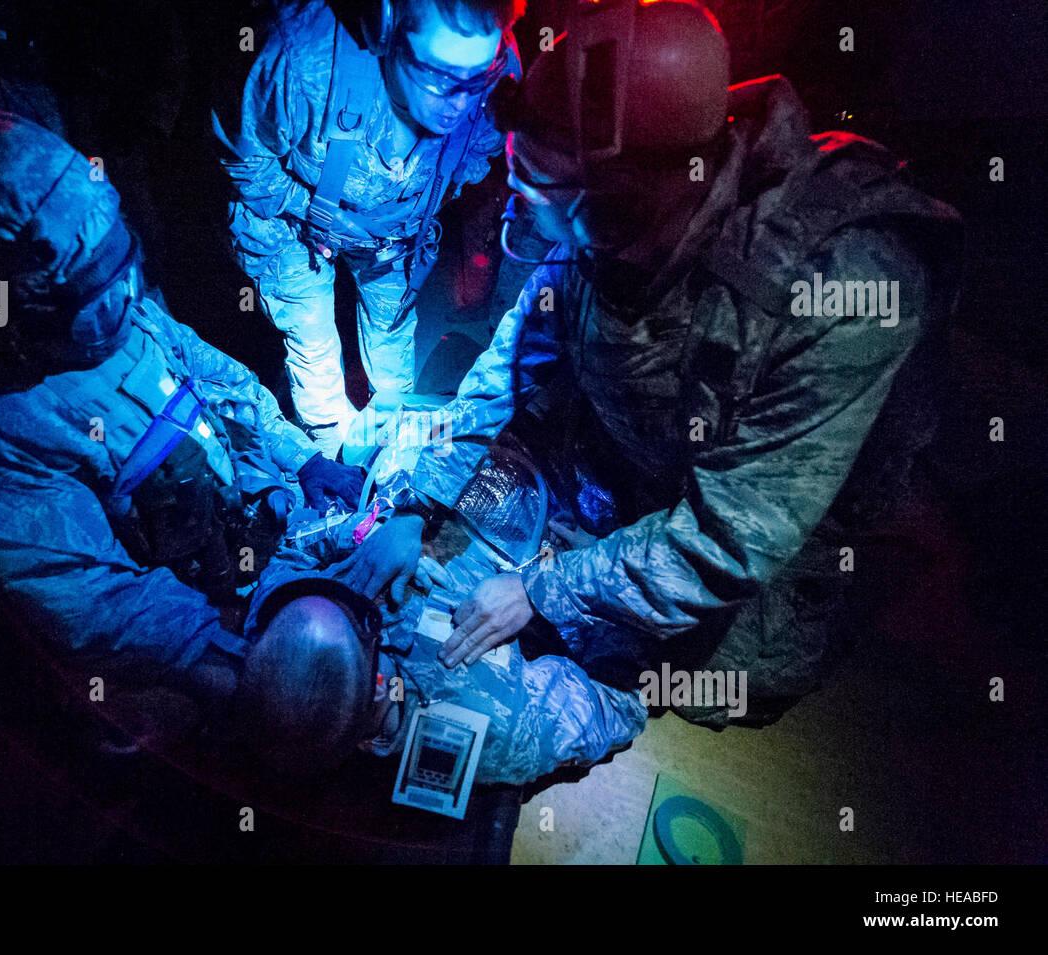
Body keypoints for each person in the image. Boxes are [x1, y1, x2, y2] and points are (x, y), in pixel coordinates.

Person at [340, 0, 963, 726]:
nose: (514, 201)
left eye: (534, 186)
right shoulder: (613, 208)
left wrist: (543, 590)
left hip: (766, 501)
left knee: (699, 678)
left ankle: (914, 533)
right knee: (490, 517)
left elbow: (731, 537)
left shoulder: (842, 282)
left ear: (615, 201)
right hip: (663, 435)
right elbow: (513, 362)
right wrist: (420, 504)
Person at [0, 109, 366, 710]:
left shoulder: (100, 292)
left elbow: (217, 380)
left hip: (242, 538)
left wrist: (303, 459)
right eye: (94, 300)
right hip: (183, 623)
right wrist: (243, 667)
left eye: (123, 271)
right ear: (7, 309)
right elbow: (91, 599)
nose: (128, 306)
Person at [211, 0, 524, 456]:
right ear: (386, 29)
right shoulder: (298, 58)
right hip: (289, 222)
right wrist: (312, 211)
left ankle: (394, 442)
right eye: (438, 76)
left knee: (394, 349)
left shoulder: (496, 69)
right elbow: (243, 161)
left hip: (398, 232)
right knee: (313, 343)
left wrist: (417, 207)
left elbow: (479, 153)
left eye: (476, 80)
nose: (460, 102)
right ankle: (331, 451)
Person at [238, 562, 647, 787]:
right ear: (379, 689)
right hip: (570, 591)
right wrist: (581, 579)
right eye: (365, 626)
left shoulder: (280, 639)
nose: (370, 609)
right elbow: (622, 708)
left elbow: (285, 567)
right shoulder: (511, 728)